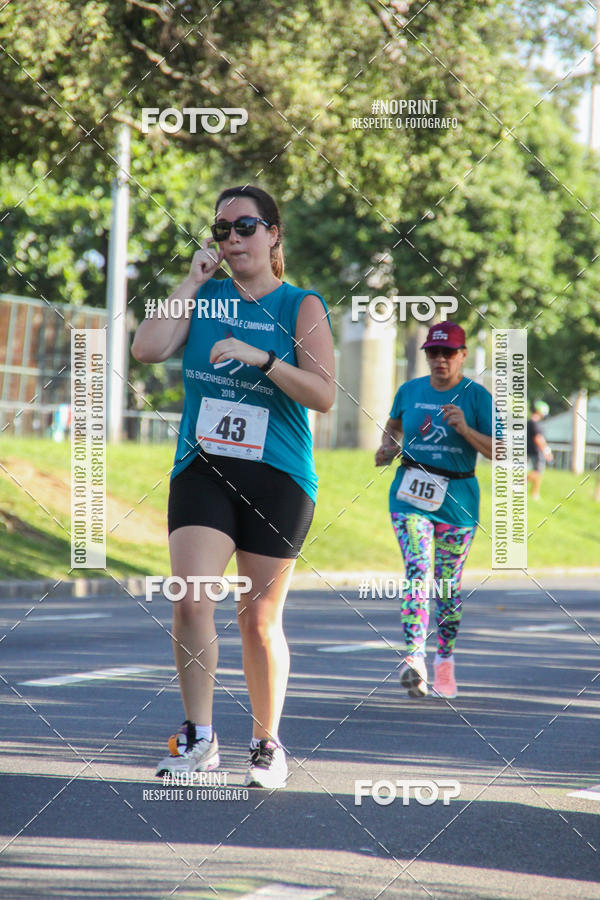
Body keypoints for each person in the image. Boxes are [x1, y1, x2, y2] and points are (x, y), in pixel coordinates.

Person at [131, 185, 335, 788]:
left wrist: (262, 358)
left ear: (274, 234)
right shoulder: (205, 296)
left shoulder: (302, 305)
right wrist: (191, 281)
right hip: (205, 467)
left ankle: (268, 742)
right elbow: (147, 348)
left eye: (245, 227)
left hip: (278, 476)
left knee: (257, 619)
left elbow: (324, 394)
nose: (233, 239)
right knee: (191, 598)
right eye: (222, 230)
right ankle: (198, 739)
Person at [375, 321, 494, 700]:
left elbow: (503, 451)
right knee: (417, 568)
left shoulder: (477, 397)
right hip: (410, 493)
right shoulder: (410, 391)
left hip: (458, 499)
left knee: (446, 586)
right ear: (426, 355)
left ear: (462, 356)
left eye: (448, 353)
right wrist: (387, 448)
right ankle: (414, 658)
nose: (440, 359)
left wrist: (466, 431)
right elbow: (393, 427)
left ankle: (444, 660)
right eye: (433, 352)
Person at [527, 400, 553, 500]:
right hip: (537, 451)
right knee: (537, 471)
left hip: (532, 450)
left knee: (538, 472)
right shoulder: (535, 423)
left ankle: (535, 494)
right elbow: (538, 438)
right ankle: (518, 484)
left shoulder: (530, 422)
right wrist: (546, 451)